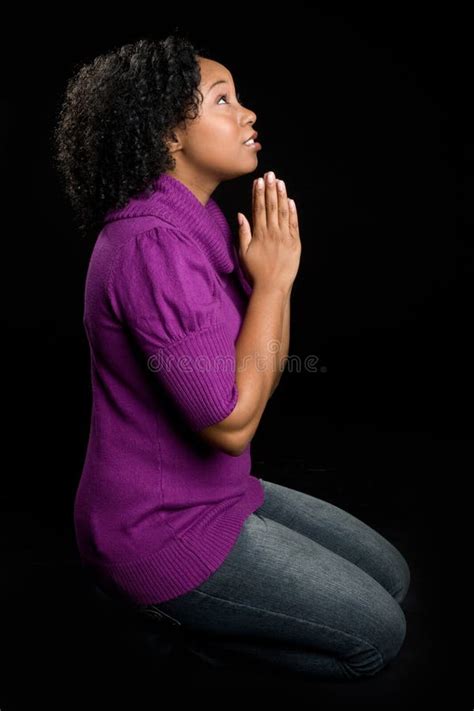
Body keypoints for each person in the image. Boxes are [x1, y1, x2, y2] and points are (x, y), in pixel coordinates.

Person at [53, 34, 410, 681]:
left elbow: (261, 370)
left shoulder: (199, 218)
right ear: (167, 135)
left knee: (396, 576)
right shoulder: (149, 247)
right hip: (155, 529)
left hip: (219, 491)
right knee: (378, 636)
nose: (247, 114)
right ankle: (162, 628)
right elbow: (233, 422)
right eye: (223, 100)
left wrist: (278, 279)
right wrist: (273, 285)